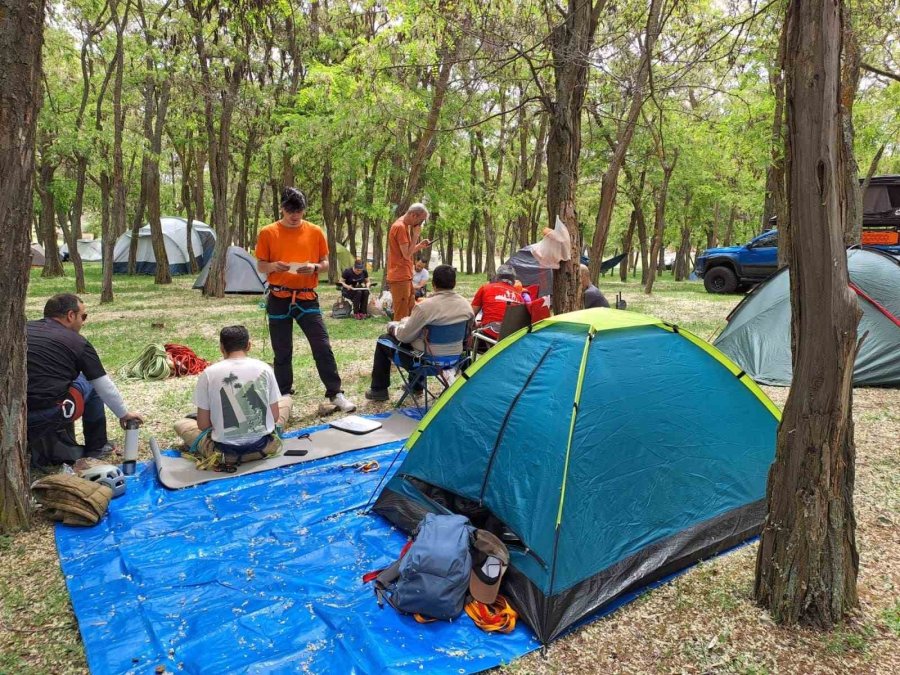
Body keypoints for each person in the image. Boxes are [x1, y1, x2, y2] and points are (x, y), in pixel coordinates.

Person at [256, 187, 356, 413]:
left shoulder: (315, 231)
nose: (294, 216)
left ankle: (335, 393)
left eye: (299, 211)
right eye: (290, 211)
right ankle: (283, 396)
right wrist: (272, 266)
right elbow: (261, 265)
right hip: (279, 296)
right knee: (282, 350)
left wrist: (314, 267)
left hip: (306, 298)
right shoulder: (268, 232)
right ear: (282, 208)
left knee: (322, 345)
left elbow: (326, 264)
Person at [26, 294, 143, 461]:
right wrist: (124, 414)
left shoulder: (20, 330)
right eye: (83, 316)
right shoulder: (78, 342)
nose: (83, 322)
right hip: (48, 414)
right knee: (89, 381)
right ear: (70, 315)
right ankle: (97, 447)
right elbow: (103, 385)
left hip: (12, 413)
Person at [174, 326, 292, 466]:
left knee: (180, 424)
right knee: (286, 400)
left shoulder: (209, 374)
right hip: (266, 448)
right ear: (249, 345)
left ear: (221, 347)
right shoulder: (265, 368)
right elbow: (274, 416)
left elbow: (203, 425)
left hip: (223, 454)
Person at [365, 265, 474, 402]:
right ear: (454, 283)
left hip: (427, 362)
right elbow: (467, 336)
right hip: (455, 360)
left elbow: (404, 336)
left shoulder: (425, 307)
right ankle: (416, 385)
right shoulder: (466, 306)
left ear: (433, 284)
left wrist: (393, 327)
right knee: (419, 340)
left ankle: (379, 390)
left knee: (385, 340)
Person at [386, 203, 430, 321]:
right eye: (421, 221)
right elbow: (406, 255)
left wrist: (419, 246)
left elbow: (406, 252)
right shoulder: (400, 227)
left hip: (406, 275)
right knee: (401, 314)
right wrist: (416, 235)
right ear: (414, 215)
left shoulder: (405, 225)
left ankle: (407, 337)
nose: (420, 224)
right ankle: (398, 338)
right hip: (399, 276)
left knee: (410, 308)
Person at [471, 264, 524, 340]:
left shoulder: (485, 288)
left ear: (497, 277)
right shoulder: (519, 296)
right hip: (511, 337)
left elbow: (471, 314)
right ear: (513, 280)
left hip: (488, 334)